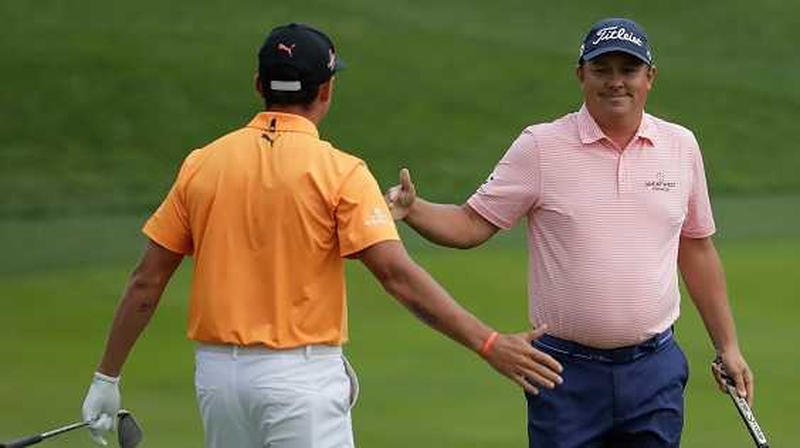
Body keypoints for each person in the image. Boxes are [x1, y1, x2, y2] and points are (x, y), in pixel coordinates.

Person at [79, 23, 564, 448]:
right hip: (300, 380)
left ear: (258, 85)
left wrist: (107, 376)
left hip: (218, 382)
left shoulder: (202, 165)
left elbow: (147, 280)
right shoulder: (341, 172)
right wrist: (487, 343)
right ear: (326, 91)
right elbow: (397, 275)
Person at [386, 17, 754, 448]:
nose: (615, 82)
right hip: (563, 371)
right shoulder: (541, 147)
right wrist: (414, 210)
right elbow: (471, 224)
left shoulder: (681, 146)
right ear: (581, 74)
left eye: (628, 70)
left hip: (654, 369)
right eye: (602, 70)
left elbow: (696, 250)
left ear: (649, 77)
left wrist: (727, 345)